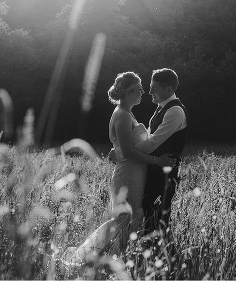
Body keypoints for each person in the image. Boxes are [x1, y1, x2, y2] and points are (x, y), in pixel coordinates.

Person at [64, 71, 176, 265]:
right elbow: (129, 152)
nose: (143, 92)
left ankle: (110, 260)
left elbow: (123, 148)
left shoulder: (127, 113)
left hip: (135, 173)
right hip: (128, 174)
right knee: (125, 220)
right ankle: (101, 260)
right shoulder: (122, 115)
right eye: (139, 89)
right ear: (127, 92)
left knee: (128, 220)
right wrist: (159, 161)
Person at [135, 68, 189, 239]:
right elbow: (150, 137)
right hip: (155, 166)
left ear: (169, 89)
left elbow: (153, 142)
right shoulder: (161, 108)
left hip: (165, 171)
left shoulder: (175, 111)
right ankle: (149, 254)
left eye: (154, 88)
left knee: (157, 216)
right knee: (148, 209)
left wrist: (125, 151)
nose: (149, 91)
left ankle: (161, 256)